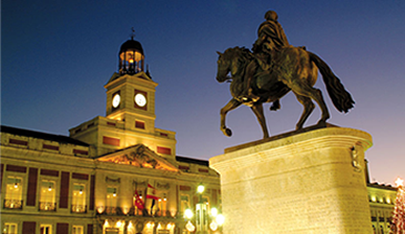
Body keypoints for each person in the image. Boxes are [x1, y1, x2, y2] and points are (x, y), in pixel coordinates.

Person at [241, 10, 289, 107]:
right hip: (281, 51)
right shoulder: (279, 27)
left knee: (250, 67)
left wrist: (257, 45)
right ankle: (276, 99)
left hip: (269, 50)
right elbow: (284, 40)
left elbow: (263, 36)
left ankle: (247, 91)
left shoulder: (266, 25)